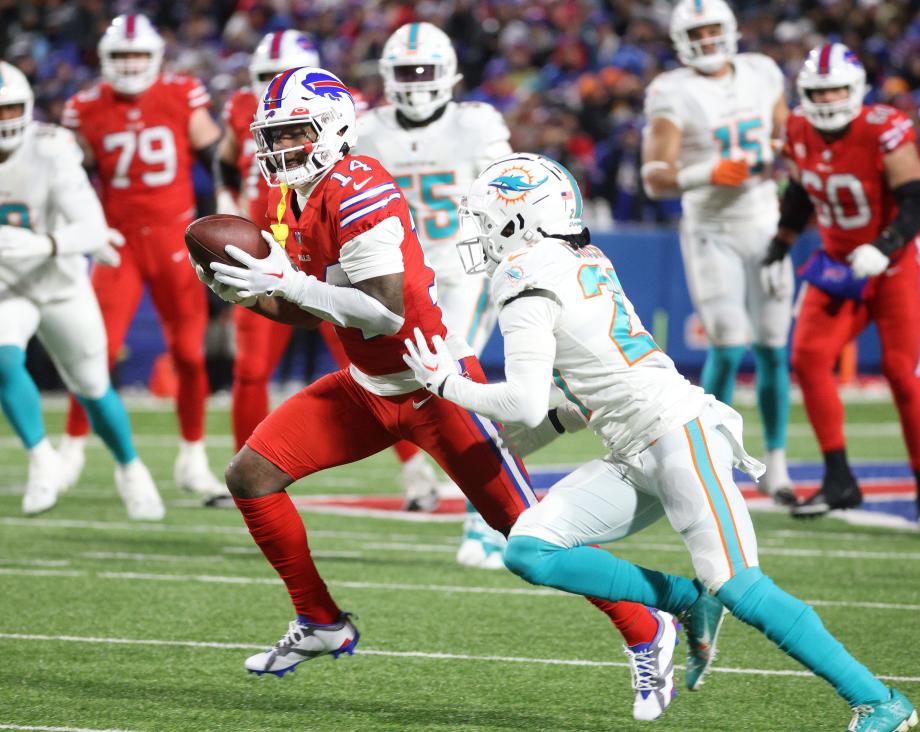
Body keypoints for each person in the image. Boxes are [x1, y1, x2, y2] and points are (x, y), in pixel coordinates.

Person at [198, 67, 695, 721]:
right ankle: (320, 621)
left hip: (437, 386)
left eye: (294, 133)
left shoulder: (359, 186)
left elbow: (379, 314)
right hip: (367, 387)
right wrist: (254, 296)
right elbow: (316, 310)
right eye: (274, 136)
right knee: (252, 475)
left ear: (335, 127)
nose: (280, 149)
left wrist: (285, 285)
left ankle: (646, 625)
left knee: (528, 531)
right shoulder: (294, 197)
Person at [403, 151, 918, 732]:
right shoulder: (576, 255)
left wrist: (447, 385)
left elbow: (524, 398)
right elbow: (575, 398)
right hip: (632, 446)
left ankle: (880, 701)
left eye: (486, 217)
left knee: (741, 585)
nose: (478, 232)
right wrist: (515, 443)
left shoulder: (522, 276)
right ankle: (684, 600)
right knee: (530, 548)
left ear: (523, 218)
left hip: (677, 432)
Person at [216, 30, 437, 513]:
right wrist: (227, 207)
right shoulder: (242, 110)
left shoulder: (345, 116)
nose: (271, 96)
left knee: (366, 362)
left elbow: (380, 310)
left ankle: (417, 473)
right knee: (251, 367)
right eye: (262, 81)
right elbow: (226, 159)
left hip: (335, 243)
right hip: (272, 238)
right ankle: (247, 464)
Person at [762, 44, 920, 526]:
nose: (827, 100)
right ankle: (838, 478)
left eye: (836, 90)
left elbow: (918, 202)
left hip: (896, 261)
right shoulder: (799, 128)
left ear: (856, 88)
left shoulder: (882, 127)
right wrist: (779, 246)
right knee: (807, 357)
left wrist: (884, 247)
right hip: (839, 262)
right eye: (818, 92)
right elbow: (802, 193)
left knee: (901, 373)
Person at [354, 21, 514, 566]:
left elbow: (507, 192)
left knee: (457, 380)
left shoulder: (476, 125)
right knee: (426, 390)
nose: (416, 82)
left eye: (424, 71)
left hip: (466, 268)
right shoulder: (368, 129)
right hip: (400, 279)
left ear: (448, 75)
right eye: (405, 73)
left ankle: (488, 520)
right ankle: (491, 508)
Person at [59, 14, 224, 498]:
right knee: (95, 351)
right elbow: (72, 178)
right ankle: (69, 448)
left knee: (190, 354)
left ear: (154, 58)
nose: (131, 65)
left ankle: (193, 457)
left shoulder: (182, 93)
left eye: (138, 55)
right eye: (122, 56)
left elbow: (215, 159)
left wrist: (213, 233)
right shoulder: (84, 106)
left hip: (176, 239)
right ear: (107, 60)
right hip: (119, 241)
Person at [641, 0, 794, 505]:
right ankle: (713, 459)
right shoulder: (672, 91)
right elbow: (653, 177)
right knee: (727, 345)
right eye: (697, 34)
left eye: (713, 32)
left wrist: (779, 157)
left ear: (730, 31)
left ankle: (777, 466)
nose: (707, 43)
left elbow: (786, 136)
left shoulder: (762, 72)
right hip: (711, 228)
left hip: (766, 221)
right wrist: (705, 172)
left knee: (773, 345)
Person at [0, 61, 163, 520]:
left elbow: (91, 224)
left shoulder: (50, 149)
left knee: (92, 386)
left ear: (27, 109)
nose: (4, 121)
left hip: (60, 280)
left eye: (10, 109)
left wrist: (50, 243)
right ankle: (41, 460)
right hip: (7, 287)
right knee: (2, 358)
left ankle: (130, 467)